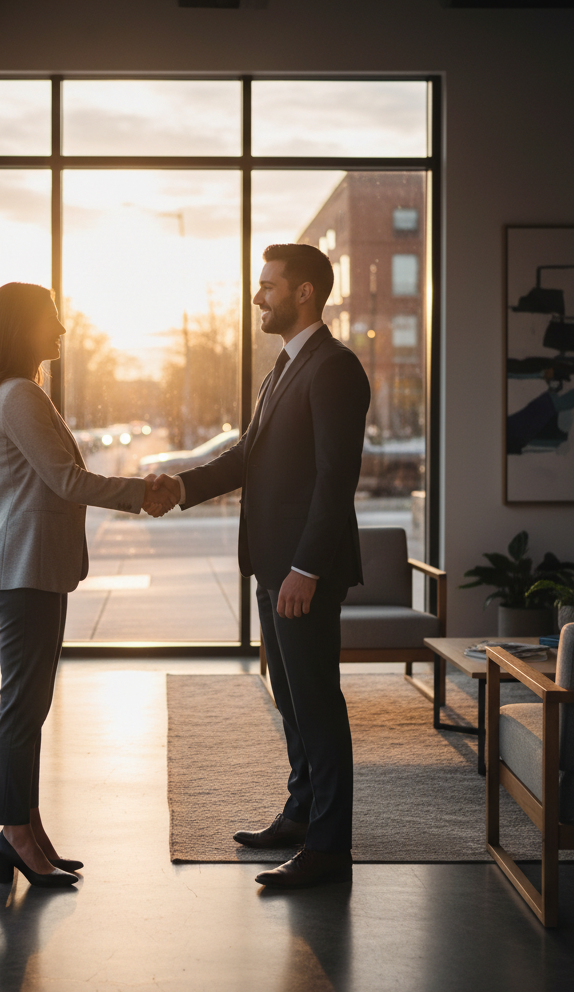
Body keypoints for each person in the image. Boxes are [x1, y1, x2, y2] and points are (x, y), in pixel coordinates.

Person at [150, 244, 370, 888]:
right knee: (290, 699)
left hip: (304, 571)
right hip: (273, 568)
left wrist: (306, 568)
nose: (257, 298)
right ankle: (302, 812)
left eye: (268, 286)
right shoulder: (284, 369)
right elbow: (247, 455)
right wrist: (180, 487)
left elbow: (336, 481)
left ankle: (329, 848)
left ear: (304, 292)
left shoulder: (334, 369)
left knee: (318, 705)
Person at [0, 282, 175, 889]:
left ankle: (27, 829)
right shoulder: (20, 396)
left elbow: (59, 480)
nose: (60, 330)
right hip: (24, 571)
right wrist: (140, 493)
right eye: (51, 320)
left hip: (33, 569)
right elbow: (67, 481)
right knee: (22, 709)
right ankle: (16, 835)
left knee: (30, 705)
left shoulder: (19, 393)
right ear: (22, 327)